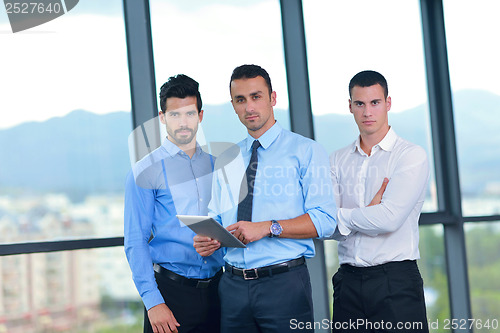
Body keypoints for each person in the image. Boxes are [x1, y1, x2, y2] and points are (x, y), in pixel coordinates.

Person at [193, 64, 337, 333]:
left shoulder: (306, 151)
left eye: (256, 97)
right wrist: (208, 239)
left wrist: (267, 228)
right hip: (233, 287)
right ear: (233, 105)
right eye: (241, 100)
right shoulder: (227, 158)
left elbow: (325, 220)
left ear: (273, 98)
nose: (249, 107)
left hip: (284, 285)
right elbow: (215, 215)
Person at [329, 70, 429, 332]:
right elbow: (324, 224)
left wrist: (344, 216)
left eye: (375, 103)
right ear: (350, 106)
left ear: (388, 103)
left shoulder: (410, 155)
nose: (367, 112)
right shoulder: (337, 160)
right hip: (347, 283)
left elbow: (389, 219)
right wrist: (365, 214)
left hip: (395, 283)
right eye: (359, 104)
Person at [124, 74, 224, 333]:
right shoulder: (144, 171)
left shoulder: (217, 166)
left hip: (219, 291)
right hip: (170, 295)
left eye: (189, 114)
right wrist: (153, 302)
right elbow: (135, 241)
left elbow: (226, 223)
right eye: (175, 114)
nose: (183, 122)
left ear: (200, 115)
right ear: (162, 117)